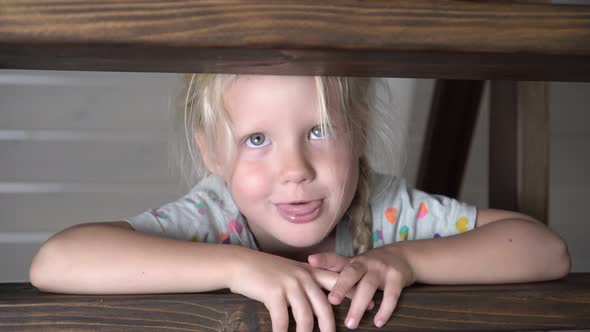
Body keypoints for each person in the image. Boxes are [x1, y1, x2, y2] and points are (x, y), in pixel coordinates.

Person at [29, 74, 571, 332]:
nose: (295, 171)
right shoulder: (214, 218)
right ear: (211, 152)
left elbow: (543, 250)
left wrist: (406, 260)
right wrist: (241, 267)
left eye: (320, 130)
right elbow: (57, 260)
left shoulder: (381, 209)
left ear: (358, 134)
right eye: (256, 140)